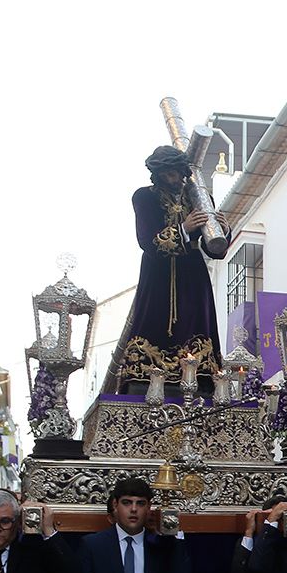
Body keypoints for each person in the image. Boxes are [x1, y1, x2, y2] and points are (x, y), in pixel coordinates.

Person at [103, 145, 230, 395]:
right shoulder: (144, 197)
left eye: (178, 174)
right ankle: (146, 378)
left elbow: (214, 250)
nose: (176, 180)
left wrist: (222, 231)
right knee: (152, 322)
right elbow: (147, 240)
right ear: (159, 174)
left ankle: (200, 379)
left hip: (192, 276)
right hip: (158, 275)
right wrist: (184, 227)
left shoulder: (199, 198)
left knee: (196, 324)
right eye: (170, 175)